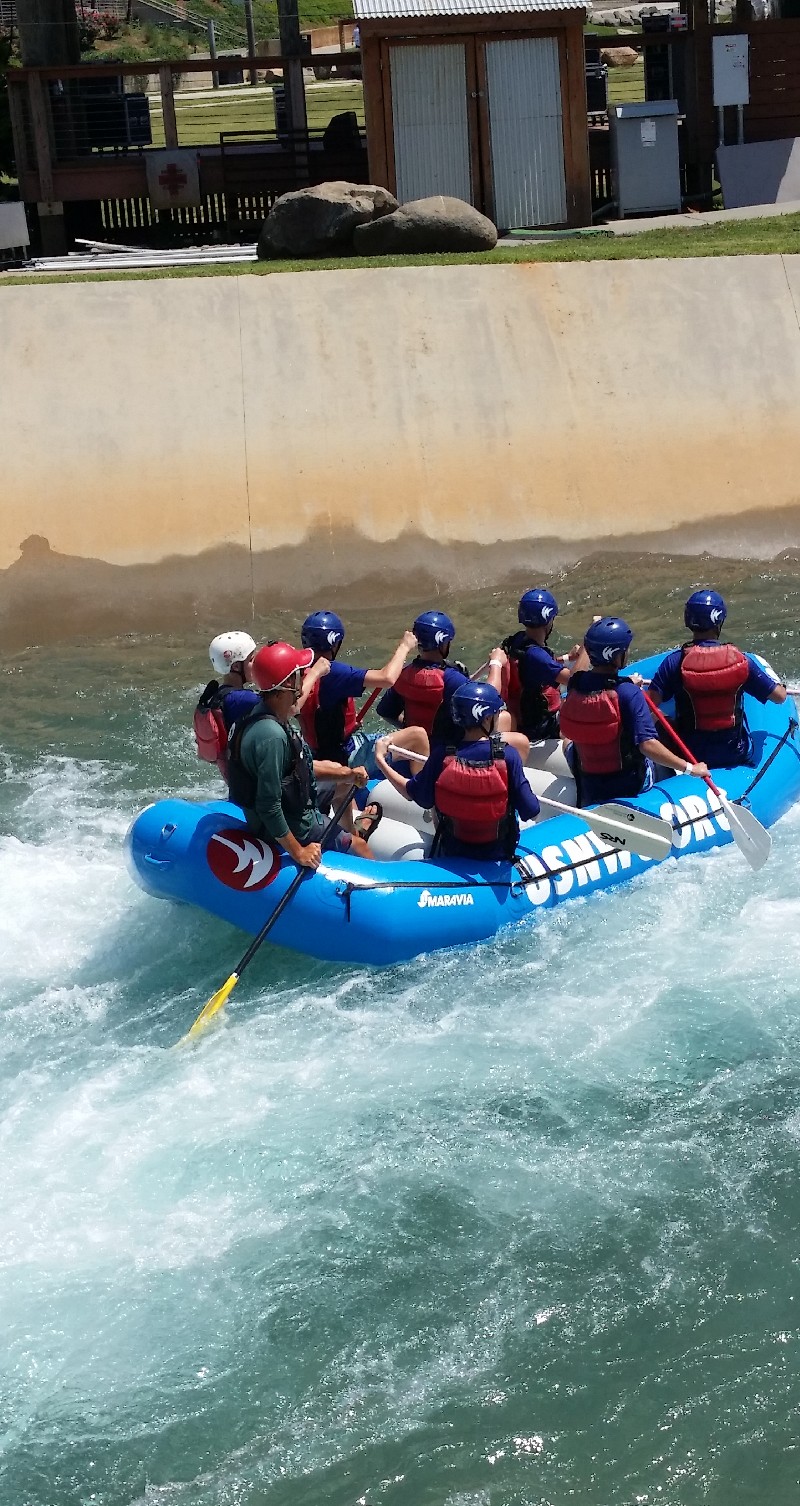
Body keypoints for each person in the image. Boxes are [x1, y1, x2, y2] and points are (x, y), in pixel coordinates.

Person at [227, 642, 376, 865]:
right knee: (360, 846)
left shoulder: (268, 712)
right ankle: (351, 843)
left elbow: (297, 766)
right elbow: (269, 807)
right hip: (294, 824)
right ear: (288, 683)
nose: (303, 678)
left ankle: (344, 834)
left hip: (294, 802)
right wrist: (299, 852)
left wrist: (348, 774)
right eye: (299, 674)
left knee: (343, 782)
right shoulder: (271, 736)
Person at [375, 682, 541, 862]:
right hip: (498, 852)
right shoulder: (509, 756)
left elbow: (412, 793)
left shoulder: (441, 755)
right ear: (486, 719)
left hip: (452, 849)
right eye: (496, 713)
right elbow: (531, 811)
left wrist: (381, 761)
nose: (498, 717)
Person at [560, 616, 709, 807]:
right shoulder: (628, 693)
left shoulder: (576, 683)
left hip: (589, 781)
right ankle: (670, 786)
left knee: (568, 742)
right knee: (657, 724)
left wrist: (626, 681)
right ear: (617, 655)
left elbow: (585, 675)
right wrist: (690, 768)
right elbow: (647, 745)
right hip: (628, 785)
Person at [648, 589, 787, 769]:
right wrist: (780, 685)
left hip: (690, 755)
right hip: (734, 753)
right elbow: (779, 697)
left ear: (688, 620)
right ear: (719, 621)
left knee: (657, 716)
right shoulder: (741, 662)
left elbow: (647, 706)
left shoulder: (674, 662)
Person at [297, 610, 421, 776]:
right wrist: (404, 646)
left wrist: (347, 727)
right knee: (417, 736)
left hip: (319, 753)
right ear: (335, 643)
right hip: (345, 756)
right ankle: (420, 789)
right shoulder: (334, 672)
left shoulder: (299, 672)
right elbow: (387, 678)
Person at [502, 589, 587, 740]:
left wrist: (567, 658)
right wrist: (588, 644)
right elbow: (575, 679)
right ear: (548, 620)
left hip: (526, 718)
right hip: (542, 727)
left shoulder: (519, 641)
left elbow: (534, 668)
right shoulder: (535, 654)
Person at [193, 631, 258, 778]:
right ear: (236, 667)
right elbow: (288, 708)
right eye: (251, 660)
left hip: (234, 777)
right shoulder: (242, 699)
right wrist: (311, 674)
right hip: (248, 778)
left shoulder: (217, 695)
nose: (256, 664)